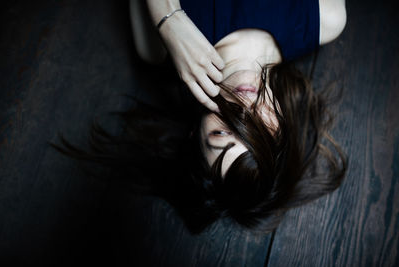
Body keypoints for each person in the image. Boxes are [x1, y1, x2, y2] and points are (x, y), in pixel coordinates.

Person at [51, 0, 348, 233]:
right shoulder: (324, 18)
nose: (243, 110)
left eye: (221, 134)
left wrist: (168, 19)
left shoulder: (155, 47)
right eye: (259, 132)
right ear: (286, 129)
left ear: (196, 131)